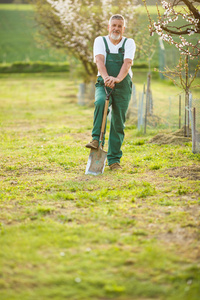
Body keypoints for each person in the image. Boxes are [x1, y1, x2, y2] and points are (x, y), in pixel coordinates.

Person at [86, 14, 136, 170]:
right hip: (104, 82)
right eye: (113, 25)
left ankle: (114, 160)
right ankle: (96, 139)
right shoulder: (100, 41)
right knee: (100, 102)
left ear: (124, 28)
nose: (116, 28)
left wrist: (117, 79)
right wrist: (107, 78)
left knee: (118, 122)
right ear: (108, 27)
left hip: (123, 84)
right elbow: (99, 60)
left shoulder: (129, 43)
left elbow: (127, 63)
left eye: (120, 26)